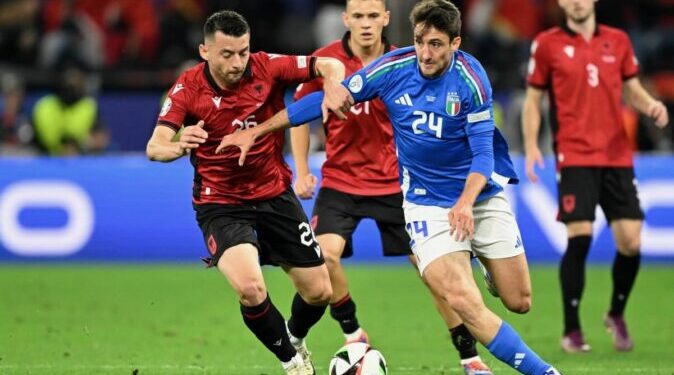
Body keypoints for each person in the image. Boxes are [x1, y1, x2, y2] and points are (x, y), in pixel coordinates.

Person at [216, 1, 562, 374]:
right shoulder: (393, 68)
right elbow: (324, 100)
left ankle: (487, 268)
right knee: (462, 298)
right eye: (419, 42)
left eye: (435, 44)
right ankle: (538, 371)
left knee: (519, 300)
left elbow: (482, 156)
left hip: (476, 194)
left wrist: (464, 203)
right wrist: (258, 130)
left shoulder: (471, 80)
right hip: (424, 201)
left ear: (455, 43)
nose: (425, 54)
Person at [145, 10, 351, 375]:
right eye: (227, 54)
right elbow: (155, 146)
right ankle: (293, 362)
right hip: (220, 202)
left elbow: (330, 64)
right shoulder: (187, 88)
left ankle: (295, 336)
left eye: (243, 51)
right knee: (251, 288)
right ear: (205, 51)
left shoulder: (267, 66)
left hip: (274, 194)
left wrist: (334, 83)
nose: (238, 62)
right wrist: (179, 144)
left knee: (320, 291)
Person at [290, 1, 491, 373]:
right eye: (358, 16)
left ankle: (469, 355)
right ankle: (351, 330)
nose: (366, 24)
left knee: (433, 273)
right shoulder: (326, 61)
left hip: (394, 183)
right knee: (324, 256)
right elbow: (302, 113)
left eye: (373, 16)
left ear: (385, 18)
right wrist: (301, 169)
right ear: (346, 19)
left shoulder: (406, 61)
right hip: (341, 180)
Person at [521, 0, 669, 354]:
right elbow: (532, 99)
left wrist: (649, 104)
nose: (576, 2)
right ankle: (572, 329)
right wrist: (530, 145)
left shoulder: (617, 41)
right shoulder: (547, 44)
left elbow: (630, 87)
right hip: (574, 155)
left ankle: (615, 313)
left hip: (617, 155)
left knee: (631, 242)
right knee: (580, 236)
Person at [32, 68, 109, 155]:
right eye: (68, 86)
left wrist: (89, 143)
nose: (71, 91)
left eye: (75, 87)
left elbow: (99, 138)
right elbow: (33, 138)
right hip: (46, 158)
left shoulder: (88, 106)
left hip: (81, 158)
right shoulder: (45, 106)